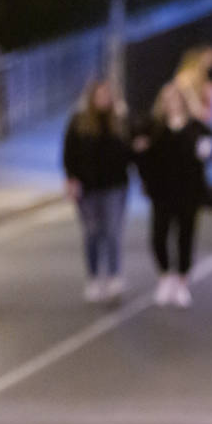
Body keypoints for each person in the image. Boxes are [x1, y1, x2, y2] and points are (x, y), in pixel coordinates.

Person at [140, 82, 212, 308]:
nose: (172, 103)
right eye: (168, 100)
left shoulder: (196, 127)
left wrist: (207, 151)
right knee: (158, 236)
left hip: (188, 191)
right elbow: (142, 154)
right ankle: (165, 278)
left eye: (176, 99)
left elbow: (211, 149)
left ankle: (182, 282)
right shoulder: (154, 127)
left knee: (185, 237)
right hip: (162, 191)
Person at [62, 78, 133, 303]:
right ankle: (93, 278)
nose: (104, 98)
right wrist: (71, 180)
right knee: (92, 233)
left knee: (112, 231)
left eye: (107, 94)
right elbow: (68, 153)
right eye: (100, 94)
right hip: (88, 187)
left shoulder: (121, 120)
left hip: (115, 185)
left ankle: (114, 276)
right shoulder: (78, 121)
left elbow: (132, 151)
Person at [173, 45, 212, 124]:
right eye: (211, 56)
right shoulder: (185, 77)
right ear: (202, 55)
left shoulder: (203, 76)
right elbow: (194, 106)